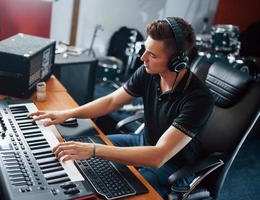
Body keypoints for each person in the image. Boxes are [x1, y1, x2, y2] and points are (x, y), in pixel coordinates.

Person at [29, 17, 214, 197]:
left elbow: (158, 156)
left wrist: (93, 151)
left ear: (177, 61)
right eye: (145, 50)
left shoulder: (198, 99)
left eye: (152, 55)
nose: (143, 58)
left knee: (122, 190)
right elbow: (112, 101)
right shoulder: (149, 72)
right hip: (143, 141)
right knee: (74, 152)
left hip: (173, 165)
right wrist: (67, 113)